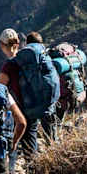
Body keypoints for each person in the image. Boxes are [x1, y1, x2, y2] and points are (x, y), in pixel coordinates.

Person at [9, 31, 60, 160]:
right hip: (50, 99)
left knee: (30, 130)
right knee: (50, 131)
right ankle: (57, 157)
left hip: (33, 103)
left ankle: (32, 164)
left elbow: (11, 65)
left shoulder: (25, 54)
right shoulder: (44, 53)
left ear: (27, 42)